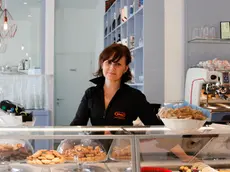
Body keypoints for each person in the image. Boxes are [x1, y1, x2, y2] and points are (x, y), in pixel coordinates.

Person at [70, 43, 158, 126]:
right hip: (96, 142)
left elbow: (156, 126)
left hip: (124, 142)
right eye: (109, 62)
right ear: (102, 64)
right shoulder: (91, 94)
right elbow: (77, 124)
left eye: (118, 64)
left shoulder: (135, 96)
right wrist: (67, 141)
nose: (112, 68)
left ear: (125, 69)